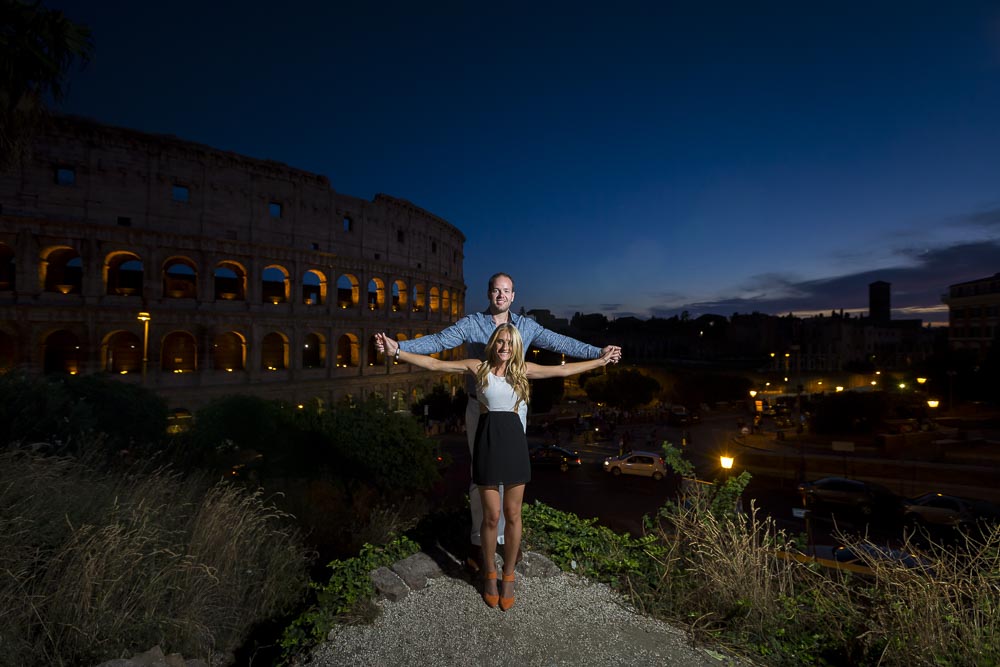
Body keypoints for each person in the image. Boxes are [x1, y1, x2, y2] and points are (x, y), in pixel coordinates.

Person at [376, 272, 621, 570]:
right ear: (489, 294)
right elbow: (437, 344)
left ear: (513, 296)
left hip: (515, 409)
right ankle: (480, 542)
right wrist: (399, 348)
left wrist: (598, 352)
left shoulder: (527, 326)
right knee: (482, 479)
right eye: (496, 290)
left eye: (506, 291)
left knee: (510, 478)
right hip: (480, 407)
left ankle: (505, 542)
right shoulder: (471, 324)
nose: (501, 295)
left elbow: (560, 343)